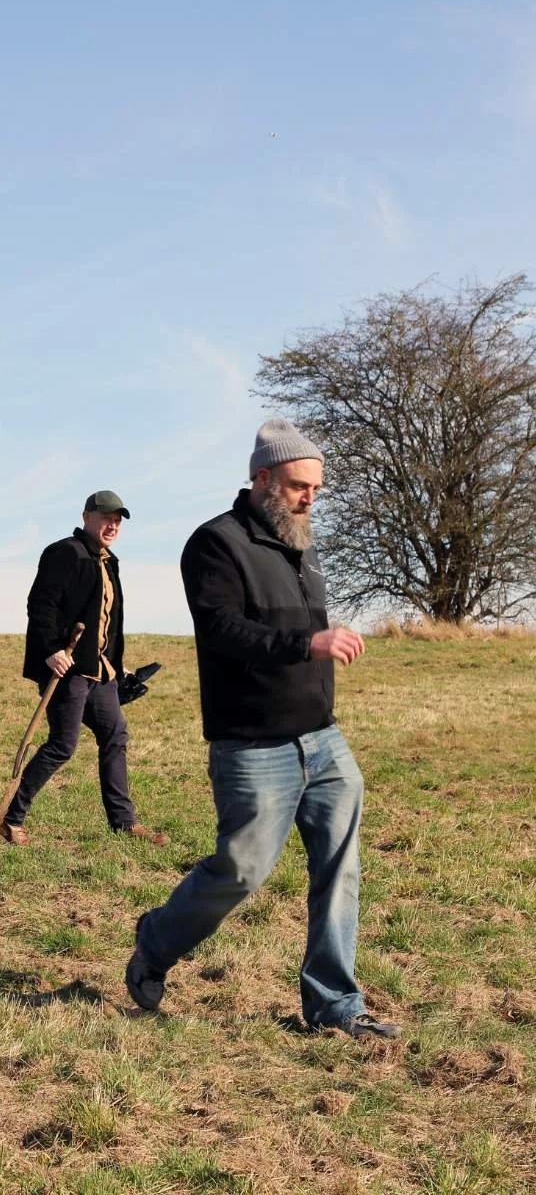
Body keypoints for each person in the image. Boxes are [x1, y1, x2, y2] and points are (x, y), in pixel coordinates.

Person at [125, 421, 398, 1038]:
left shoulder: (303, 545)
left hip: (323, 741)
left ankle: (335, 1005)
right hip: (252, 746)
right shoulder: (214, 544)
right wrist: (308, 642)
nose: (310, 498)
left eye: (317, 489)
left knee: (340, 869)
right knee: (241, 871)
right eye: (300, 486)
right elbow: (222, 632)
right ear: (263, 478)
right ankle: (157, 940)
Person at [0, 490, 167, 847]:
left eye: (118, 520)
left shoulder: (108, 561)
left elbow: (107, 622)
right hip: (67, 669)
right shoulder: (66, 553)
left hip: (99, 672)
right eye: (106, 517)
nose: (112, 525)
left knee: (115, 734)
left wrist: (117, 673)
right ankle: (10, 819)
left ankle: (123, 823)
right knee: (63, 744)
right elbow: (40, 606)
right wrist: (52, 650)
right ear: (87, 516)